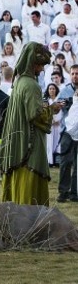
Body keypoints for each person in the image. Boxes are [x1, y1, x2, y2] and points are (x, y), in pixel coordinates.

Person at [0, 42, 64, 206]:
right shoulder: (31, 85)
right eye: (40, 65)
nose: (42, 69)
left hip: (17, 148)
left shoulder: (19, 83)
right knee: (29, 201)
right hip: (28, 150)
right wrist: (52, 109)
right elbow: (35, 115)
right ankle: (31, 229)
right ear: (32, 63)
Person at [56, 64, 78, 202]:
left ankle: (75, 192)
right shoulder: (65, 91)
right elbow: (57, 107)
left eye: (77, 73)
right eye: (73, 73)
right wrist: (66, 103)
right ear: (70, 75)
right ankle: (63, 191)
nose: (75, 76)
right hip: (67, 132)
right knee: (65, 161)